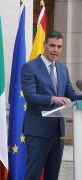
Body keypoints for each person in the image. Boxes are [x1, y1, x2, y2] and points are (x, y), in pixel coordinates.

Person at [21, 31, 82, 180]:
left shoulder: (62, 68)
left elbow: (71, 95)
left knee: (52, 176)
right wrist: (53, 99)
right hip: (38, 132)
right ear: (44, 45)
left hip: (58, 132)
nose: (56, 50)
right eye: (52, 46)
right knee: (33, 175)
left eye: (59, 47)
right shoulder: (30, 67)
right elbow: (31, 97)